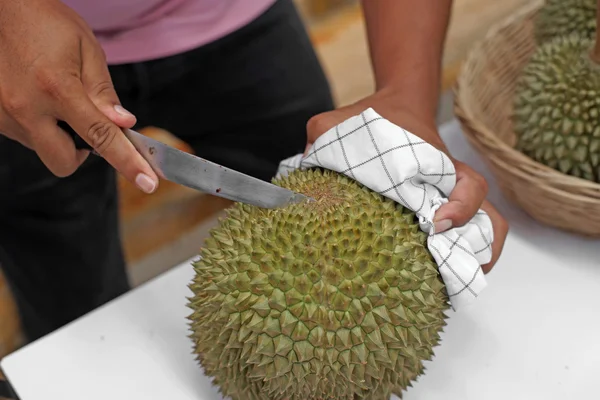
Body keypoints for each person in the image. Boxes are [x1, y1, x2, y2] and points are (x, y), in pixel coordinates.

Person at [0, 0, 508, 342]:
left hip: (236, 19)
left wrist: (407, 97)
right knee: (72, 312)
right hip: (19, 56)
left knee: (325, 202)